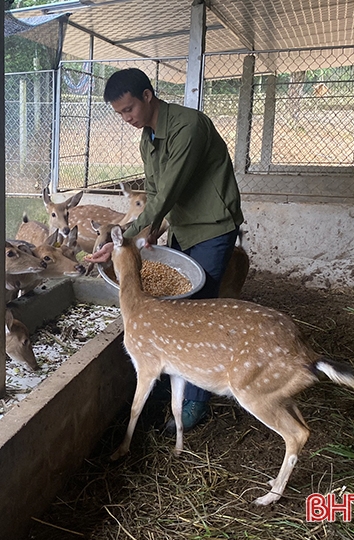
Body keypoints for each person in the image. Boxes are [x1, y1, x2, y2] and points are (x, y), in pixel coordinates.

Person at [87, 67, 245, 433]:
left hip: (213, 226)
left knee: (202, 311)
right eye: (119, 114)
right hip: (183, 226)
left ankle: (195, 403)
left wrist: (127, 235)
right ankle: (171, 379)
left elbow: (169, 190)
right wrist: (133, 240)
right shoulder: (149, 138)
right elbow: (155, 198)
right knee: (177, 309)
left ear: (147, 95)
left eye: (128, 110)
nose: (126, 119)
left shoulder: (188, 127)